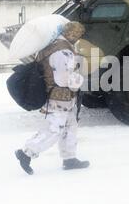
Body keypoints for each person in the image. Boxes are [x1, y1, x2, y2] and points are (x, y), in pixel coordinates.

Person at [15, 22, 90, 175]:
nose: (78, 38)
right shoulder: (63, 52)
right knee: (54, 130)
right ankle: (26, 153)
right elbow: (64, 80)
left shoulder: (53, 46)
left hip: (61, 96)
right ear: (72, 33)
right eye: (78, 34)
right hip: (60, 96)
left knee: (70, 127)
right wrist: (79, 79)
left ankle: (69, 159)